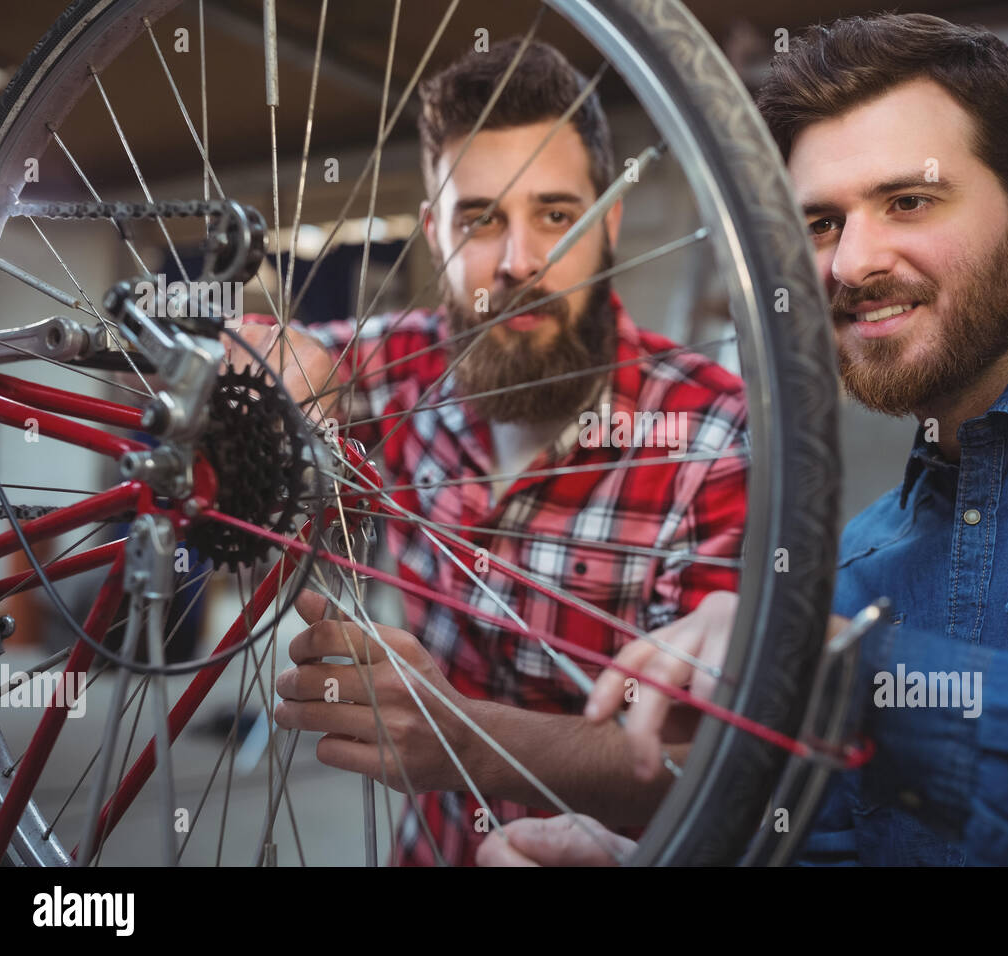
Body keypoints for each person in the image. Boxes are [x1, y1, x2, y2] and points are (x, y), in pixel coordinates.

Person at [482, 12, 1008, 866]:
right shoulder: (855, 574)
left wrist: (868, 682)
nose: (851, 263)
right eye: (821, 223)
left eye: (909, 201)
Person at [239, 38, 748, 866]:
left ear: (610, 222)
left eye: (557, 215)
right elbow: (286, 354)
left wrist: (464, 741)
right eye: (480, 218)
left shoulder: (712, 433)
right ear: (433, 234)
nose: (520, 262)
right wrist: (253, 351)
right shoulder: (402, 370)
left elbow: (716, 763)